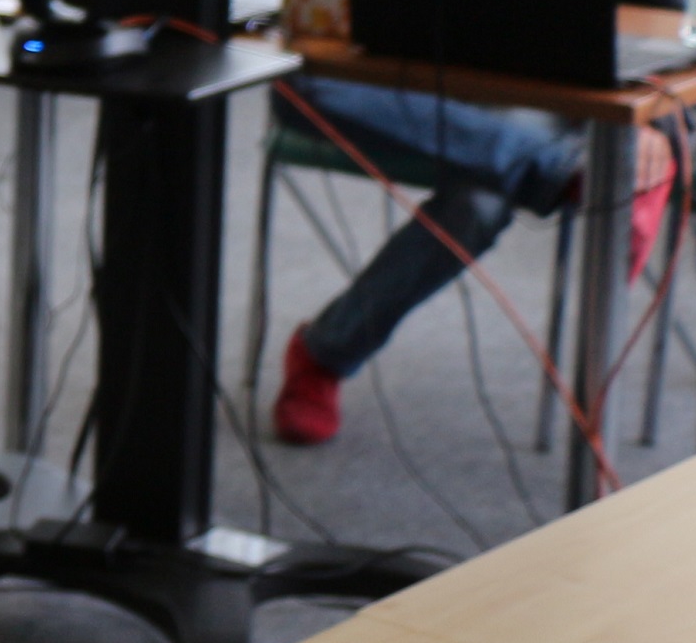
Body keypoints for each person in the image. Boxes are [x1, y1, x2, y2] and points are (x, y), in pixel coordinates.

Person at [267, 87, 673, 447]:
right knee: (302, 87)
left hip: (535, 93)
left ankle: (325, 353)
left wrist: (654, 119)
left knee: (477, 206)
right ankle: (557, 168)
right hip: (397, 79)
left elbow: (681, 31)